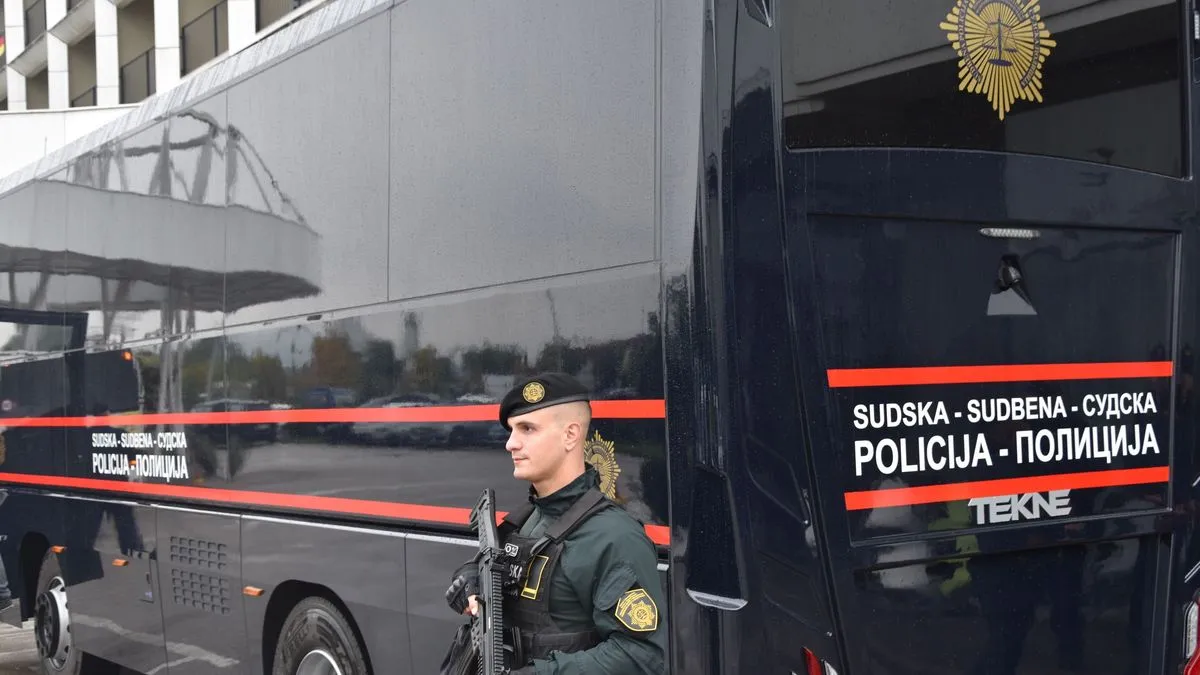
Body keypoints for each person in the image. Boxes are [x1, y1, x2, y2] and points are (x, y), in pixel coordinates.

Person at [445, 373, 667, 675]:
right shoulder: (525, 518)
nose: (511, 443)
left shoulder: (614, 537)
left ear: (570, 435)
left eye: (527, 429)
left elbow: (641, 655)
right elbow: (482, 567)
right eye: (511, 431)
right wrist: (468, 583)